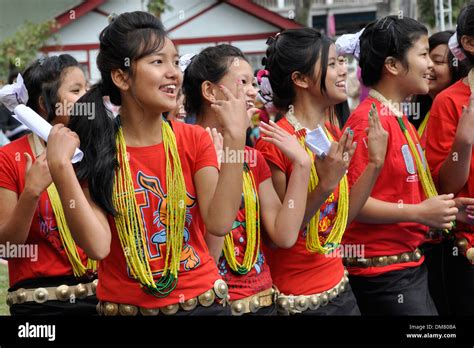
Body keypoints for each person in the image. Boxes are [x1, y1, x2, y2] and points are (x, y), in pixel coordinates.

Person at [46, 11, 249, 316]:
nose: (173, 73)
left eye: (176, 62)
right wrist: (61, 169)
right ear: (121, 76)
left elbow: (219, 222)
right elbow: (98, 247)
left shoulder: (193, 139)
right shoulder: (98, 147)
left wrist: (236, 143)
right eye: (158, 62)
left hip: (202, 305)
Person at [255, 28, 388, 315]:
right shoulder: (274, 142)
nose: (343, 70)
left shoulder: (329, 132)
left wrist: (374, 165)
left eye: (341, 62)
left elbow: (340, 220)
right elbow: (282, 235)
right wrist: (324, 185)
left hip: (339, 287)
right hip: (299, 299)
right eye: (331, 64)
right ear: (300, 79)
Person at [342, 15, 460, 316]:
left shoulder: (397, 117)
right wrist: (419, 213)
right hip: (383, 276)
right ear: (393, 65)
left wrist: (445, 210)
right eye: (423, 54)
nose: (431, 65)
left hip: (405, 268)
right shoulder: (368, 123)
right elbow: (353, 205)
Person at [182, 44, 311, 315]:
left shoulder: (252, 157)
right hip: (215, 305)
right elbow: (205, 257)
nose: (253, 91)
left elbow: (284, 235)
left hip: (264, 302)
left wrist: (302, 165)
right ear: (209, 91)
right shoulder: (183, 152)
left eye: (253, 82)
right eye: (243, 82)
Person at [0, 54, 96, 315]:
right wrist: (32, 191)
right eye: (76, 90)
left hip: (103, 298)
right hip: (39, 305)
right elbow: (6, 247)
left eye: (88, 88)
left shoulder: (97, 152)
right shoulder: (10, 159)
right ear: (44, 103)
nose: (88, 98)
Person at [424, 2, 474, 316]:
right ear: (469, 43)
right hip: (467, 249)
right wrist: (465, 140)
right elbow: (445, 185)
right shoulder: (449, 102)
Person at [412, 30, 469, 142]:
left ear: (457, 68)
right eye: (424, 58)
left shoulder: (464, 113)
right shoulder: (422, 112)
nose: (427, 65)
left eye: (438, 61)